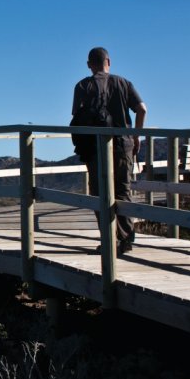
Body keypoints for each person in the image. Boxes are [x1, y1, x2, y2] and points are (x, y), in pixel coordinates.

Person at [72, 47, 147, 254]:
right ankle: (126, 239)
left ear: (89, 64)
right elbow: (142, 109)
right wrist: (136, 135)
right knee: (123, 191)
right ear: (109, 61)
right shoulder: (124, 83)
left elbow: (76, 118)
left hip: (95, 148)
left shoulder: (82, 86)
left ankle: (108, 240)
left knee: (100, 193)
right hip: (123, 145)